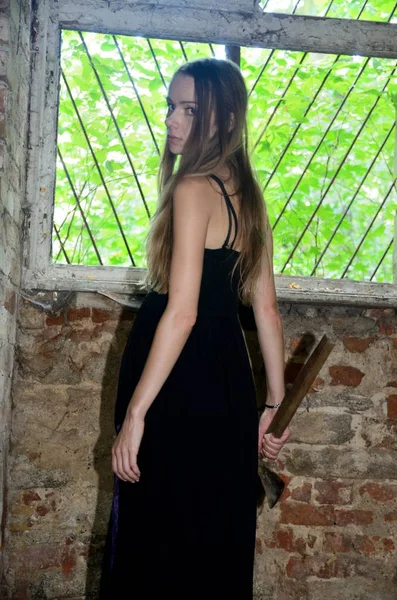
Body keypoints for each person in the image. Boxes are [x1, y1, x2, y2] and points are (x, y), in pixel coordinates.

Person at [99, 57, 290, 599]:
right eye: (170, 106)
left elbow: (181, 312)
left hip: (175, 386)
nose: (172, 121)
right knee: (213, 532)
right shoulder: (250, 200)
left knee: (154, 532)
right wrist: (271, 407)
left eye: (189, 109)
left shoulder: (191, 190)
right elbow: (267, 312)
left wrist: (136, 414)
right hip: (227, 385)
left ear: (226, 118)